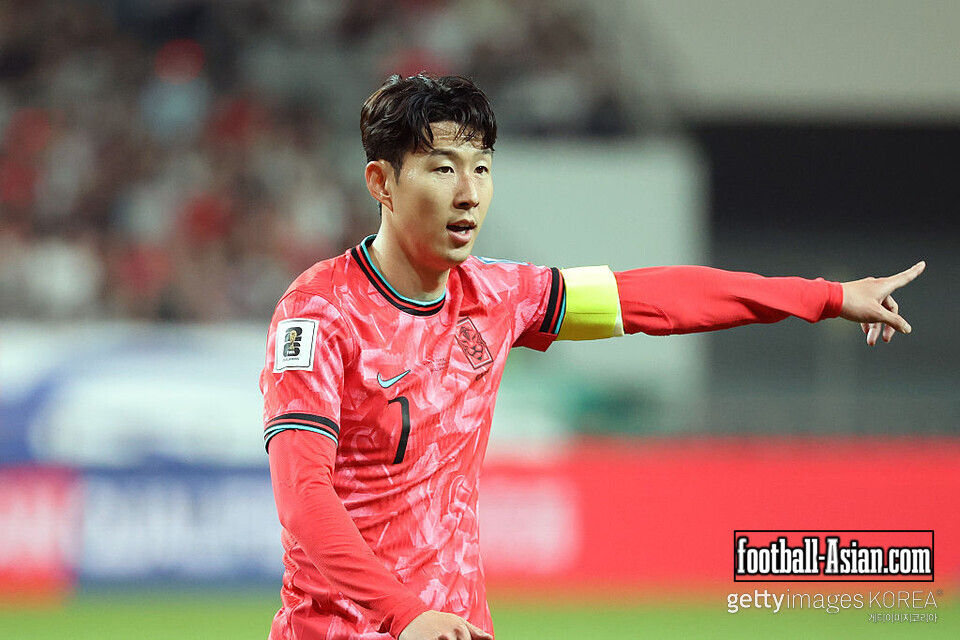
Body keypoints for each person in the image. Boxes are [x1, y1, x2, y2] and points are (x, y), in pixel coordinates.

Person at [259, 73, 924, 640]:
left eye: (482, 167)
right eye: (442, 167)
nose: (469, 193)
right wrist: (405, 614)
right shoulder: (322, 311)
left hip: (454, 629)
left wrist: (827, 295)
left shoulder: (498, 296)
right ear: (381, 180)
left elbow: (651, 300)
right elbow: (303, 495)